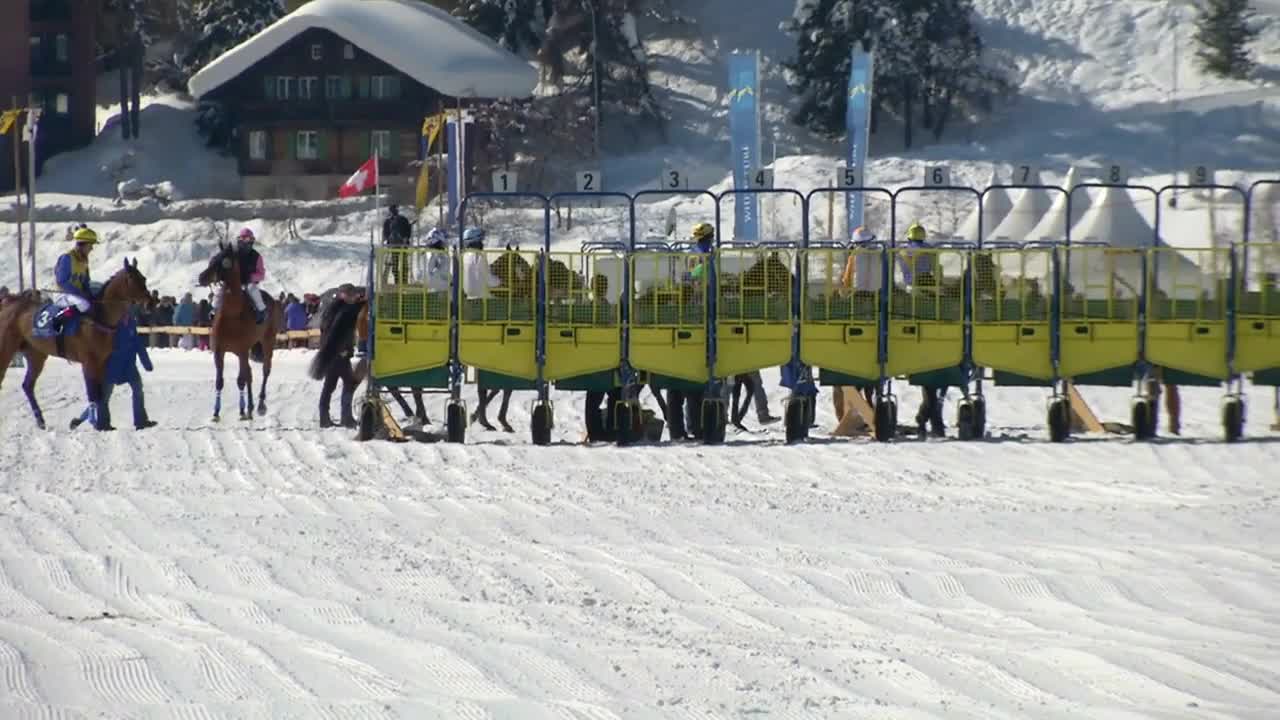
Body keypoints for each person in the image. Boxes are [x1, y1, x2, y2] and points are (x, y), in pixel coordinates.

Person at [71, 304, 156, 431]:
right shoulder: (111, 324)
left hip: (129, 366)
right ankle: (100, 423)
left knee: (138, 390)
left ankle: (141, 421)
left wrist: (146, 362)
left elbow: (137, 343)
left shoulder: (132, 322)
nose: (127, 310)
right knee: (104, 397)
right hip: (112, 366)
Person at [214, 228, 268, 323]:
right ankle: (215, 310)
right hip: (233, 282)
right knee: (220, 290)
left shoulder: (256, 256)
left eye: (249, 239)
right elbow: (222, 260)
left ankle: (261, 310)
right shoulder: (233, 253)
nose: (246, 242)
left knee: (252, 289)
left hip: (247, 283)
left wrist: (251, 277)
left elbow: (262, 274)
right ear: (239, 240)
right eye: (244, 239)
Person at [51, 225, 98, 332]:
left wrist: (89, 294)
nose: (92, 248)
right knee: (83, 304)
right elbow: (62, 282)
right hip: (62, 294)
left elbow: (85, 282)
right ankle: (58, 319)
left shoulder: (84, 261)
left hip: (76, 296)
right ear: (82, 244)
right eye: (90, 245)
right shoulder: (67, 258)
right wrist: (80, 293)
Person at [383, 204, 413, 284]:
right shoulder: (388, 221)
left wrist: (406, 238)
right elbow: (385, 233)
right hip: (393, 246)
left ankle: (404, 281)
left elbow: (408, 230)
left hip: (402, 245)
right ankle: (397, 281)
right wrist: (387, 240)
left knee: (403, 264)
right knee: (395, 265)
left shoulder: (403, 219)